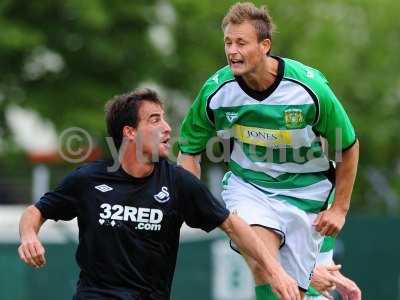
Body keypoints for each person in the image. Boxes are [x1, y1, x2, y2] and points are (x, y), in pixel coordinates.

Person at [18, 88, 300, 300]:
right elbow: (36, 211)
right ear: (129, 131)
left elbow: (231, 224)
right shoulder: (89, 179)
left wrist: (276, 272)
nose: (166, 128)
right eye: (154, 120)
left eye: (164, 119)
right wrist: (29, 235)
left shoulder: (178, 182)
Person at [178, 2, 359, 299]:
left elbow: (349, 146)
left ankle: (310, 280)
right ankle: (305, 276)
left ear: (265, 46)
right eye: (228, 42)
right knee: (266, 269)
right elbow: (188, 149)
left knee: (299, 292)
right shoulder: (216, 91)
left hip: (307, 195)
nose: (232, 50)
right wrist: (190, 197)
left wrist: (339, 207)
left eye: (241, 42)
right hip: (250, 187)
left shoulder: (308, 88)